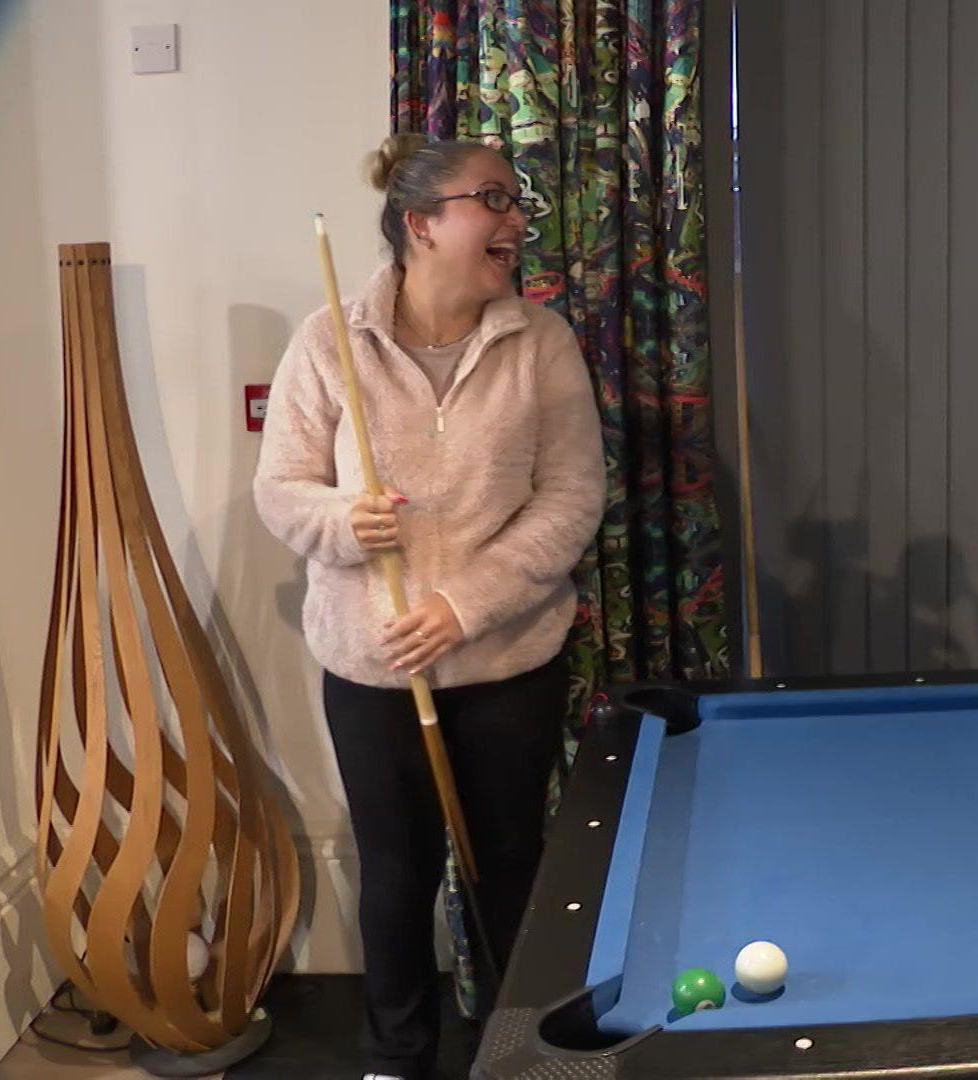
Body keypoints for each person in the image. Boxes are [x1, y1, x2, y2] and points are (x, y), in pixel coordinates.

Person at [254, 134, 605, 1080]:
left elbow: (572, 499)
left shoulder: (543, 342)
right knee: (397, 877)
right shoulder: (329, 339)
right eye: (492, 199)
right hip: (375, 668)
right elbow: (280, 491)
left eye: (515, 200)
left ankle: (521, 1054)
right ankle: (395, 1059)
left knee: (510, 869)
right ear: (421, 223)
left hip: (506, 665)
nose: (516, 220)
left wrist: (464, 603)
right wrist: (342, 518)